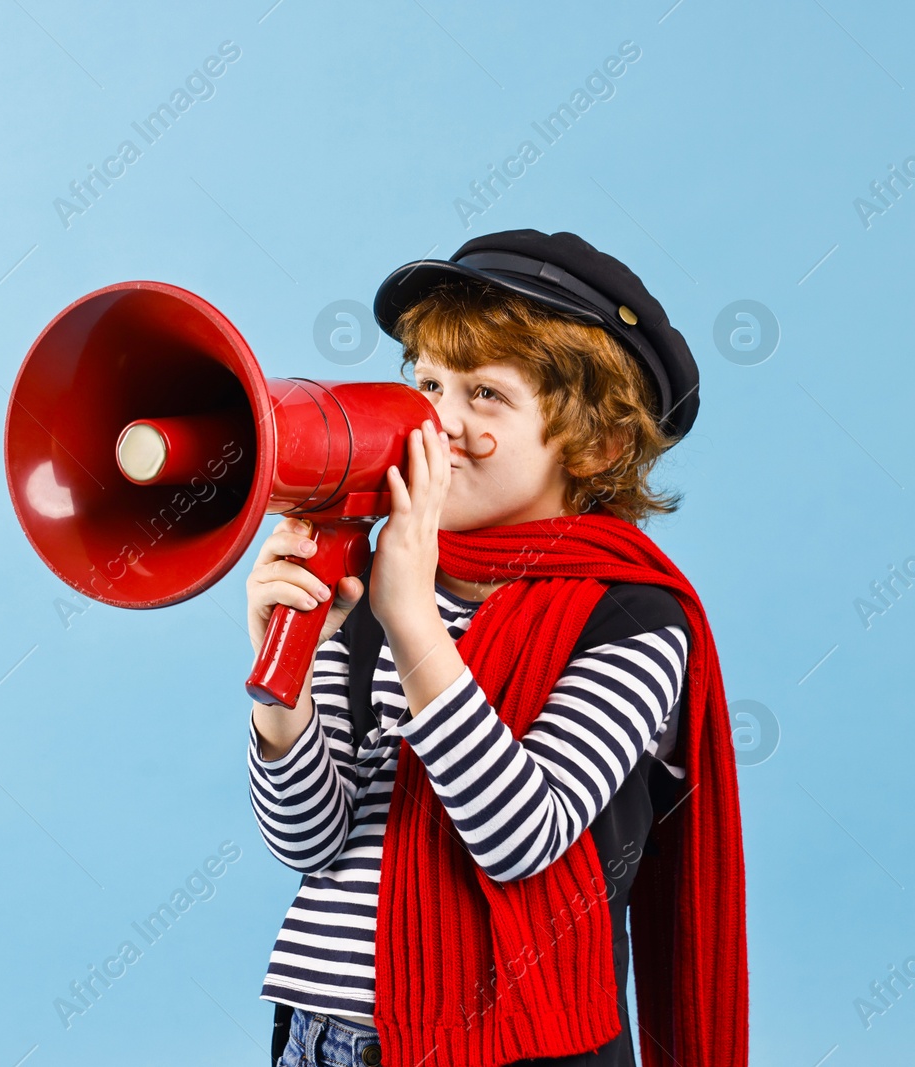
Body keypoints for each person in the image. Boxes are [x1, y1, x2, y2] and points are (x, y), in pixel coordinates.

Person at [246, 230, 748, 1067]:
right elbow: (310, 839)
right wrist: (284, 699)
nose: (438, 420)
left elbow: (525, 834)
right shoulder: (372, 583)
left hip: (512, 1044)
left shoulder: (634, 618)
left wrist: (417, 633)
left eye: (484, 393)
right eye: (428, 383)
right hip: (321, 1035)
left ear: (596, 445)